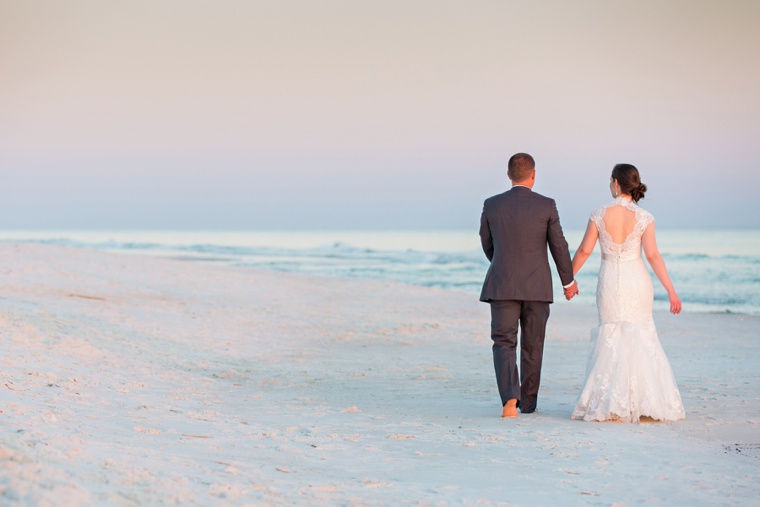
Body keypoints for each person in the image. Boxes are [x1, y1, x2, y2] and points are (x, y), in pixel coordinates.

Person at [570, 163, 685, 422]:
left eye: (610, 180)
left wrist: (569, 279)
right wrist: (671, 291)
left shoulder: (598, 214)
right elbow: (653, 256)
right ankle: (643, 402)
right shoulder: (645, 217)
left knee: (610, 332)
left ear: (616, 183)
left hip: (610, 279)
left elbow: (585, 251)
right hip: (637, 280)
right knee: (641, 333)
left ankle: (609, 404)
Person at [479, 153, 578, 418]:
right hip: (537, 287)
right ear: (534, 175)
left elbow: (487, 244)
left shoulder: (491, 204)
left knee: (503, 342)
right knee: (533, 344)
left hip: (502, 285)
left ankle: (510, 401)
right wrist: (567, 281)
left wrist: (501, 264)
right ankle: (529, 404)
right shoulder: (546, 205)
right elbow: (559, 245)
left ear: (508, 174)